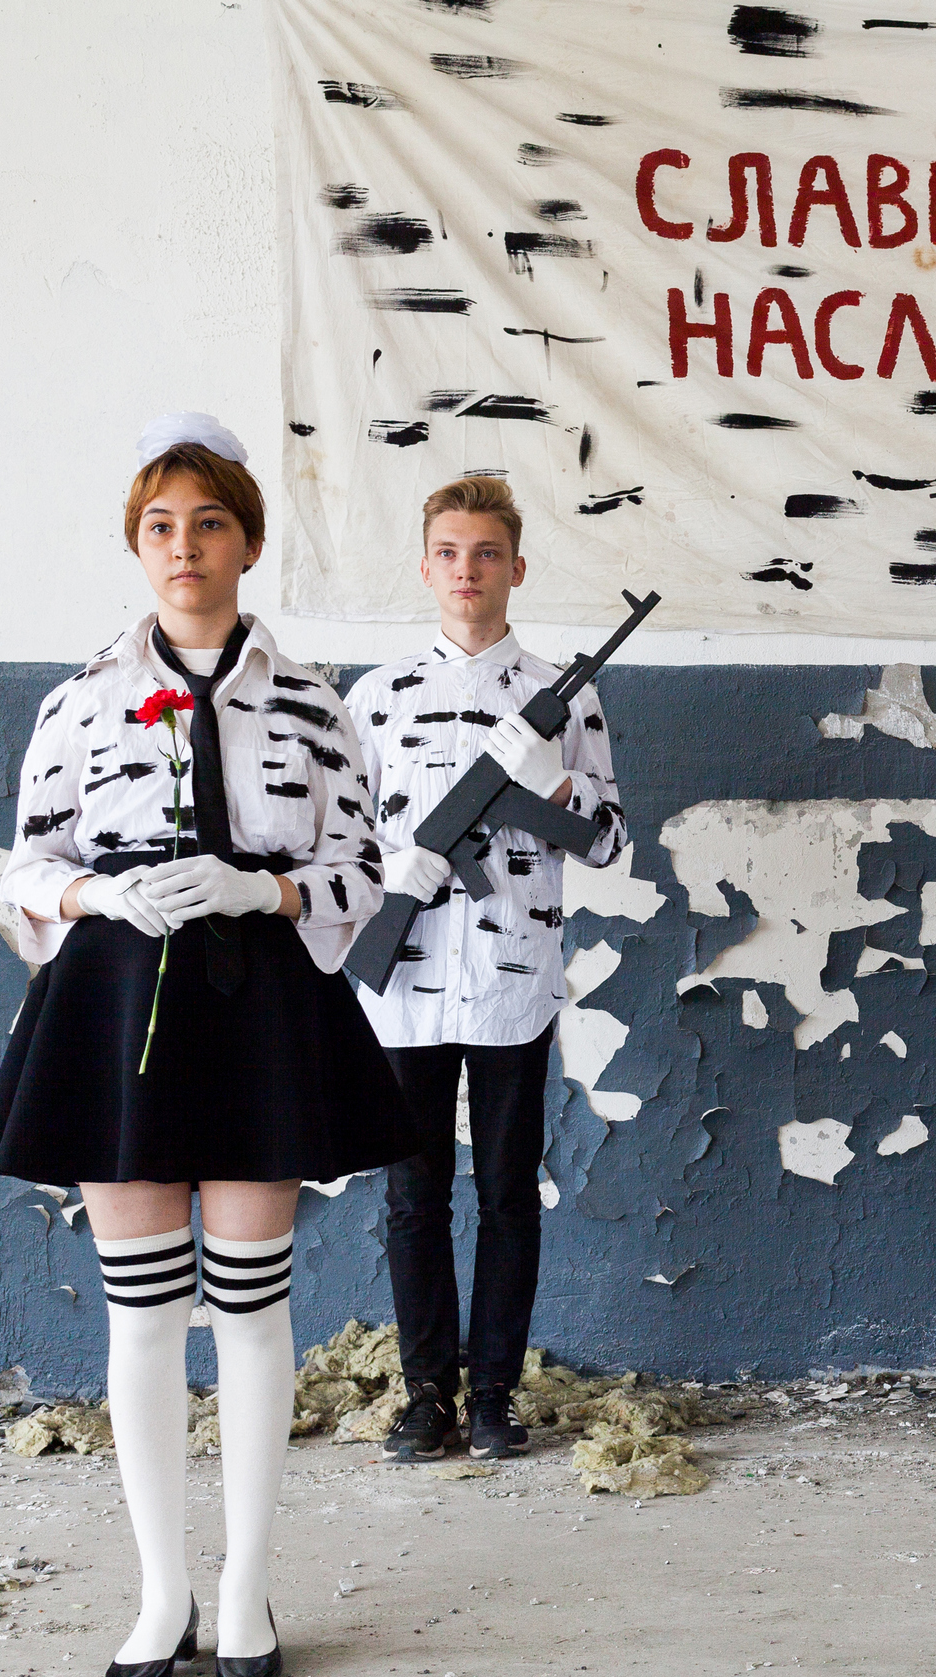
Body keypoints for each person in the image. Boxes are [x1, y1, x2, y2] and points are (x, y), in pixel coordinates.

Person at [0, 412, 413, 1677]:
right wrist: (98, 898)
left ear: (249, 543)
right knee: (146, 1315)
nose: (185, 547)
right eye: (160, 526)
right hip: (119, 1006)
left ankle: (245, 1586)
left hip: (260, 1005)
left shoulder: (314, 705)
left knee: (254, 1310)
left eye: (209, 523)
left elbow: (361, 867)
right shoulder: (80, 701)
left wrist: (261, 890)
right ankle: (161, 1591)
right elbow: (25, 868)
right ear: (136, 545)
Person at [344, 477, 627, 1464]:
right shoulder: (377, 697)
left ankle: (496, 1393)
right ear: (426, 568)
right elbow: (337, 845)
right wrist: (394, 872)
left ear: (517, 568)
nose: (468, 570)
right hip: (406, 980)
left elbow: (609, 843)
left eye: (487, 553)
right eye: (450, 553)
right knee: (413, 1198)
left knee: (508, 1194)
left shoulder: (565, 696)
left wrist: (555, 783)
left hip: (514, 981)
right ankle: (427, 1396)